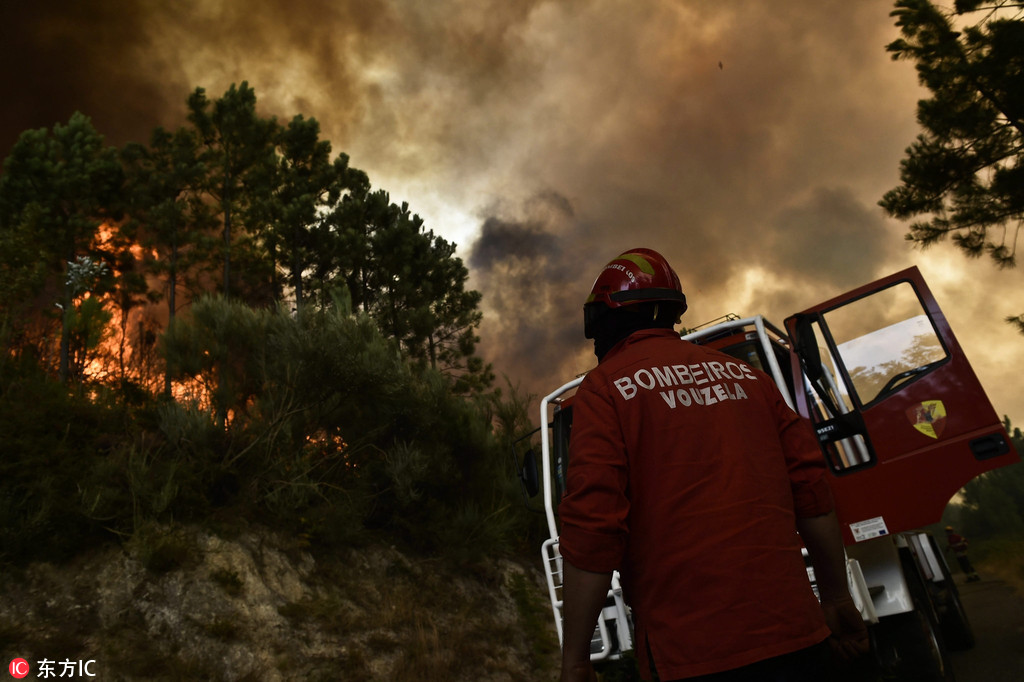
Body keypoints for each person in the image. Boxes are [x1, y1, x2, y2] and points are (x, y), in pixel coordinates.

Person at [558, 248, 869, 682]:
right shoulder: (749, 378)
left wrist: (575, 658)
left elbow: (593, 526)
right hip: (798, 637)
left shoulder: (605, 390)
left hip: (692, 654)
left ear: (608, 317)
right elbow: (812, 491)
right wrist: (836, 598)